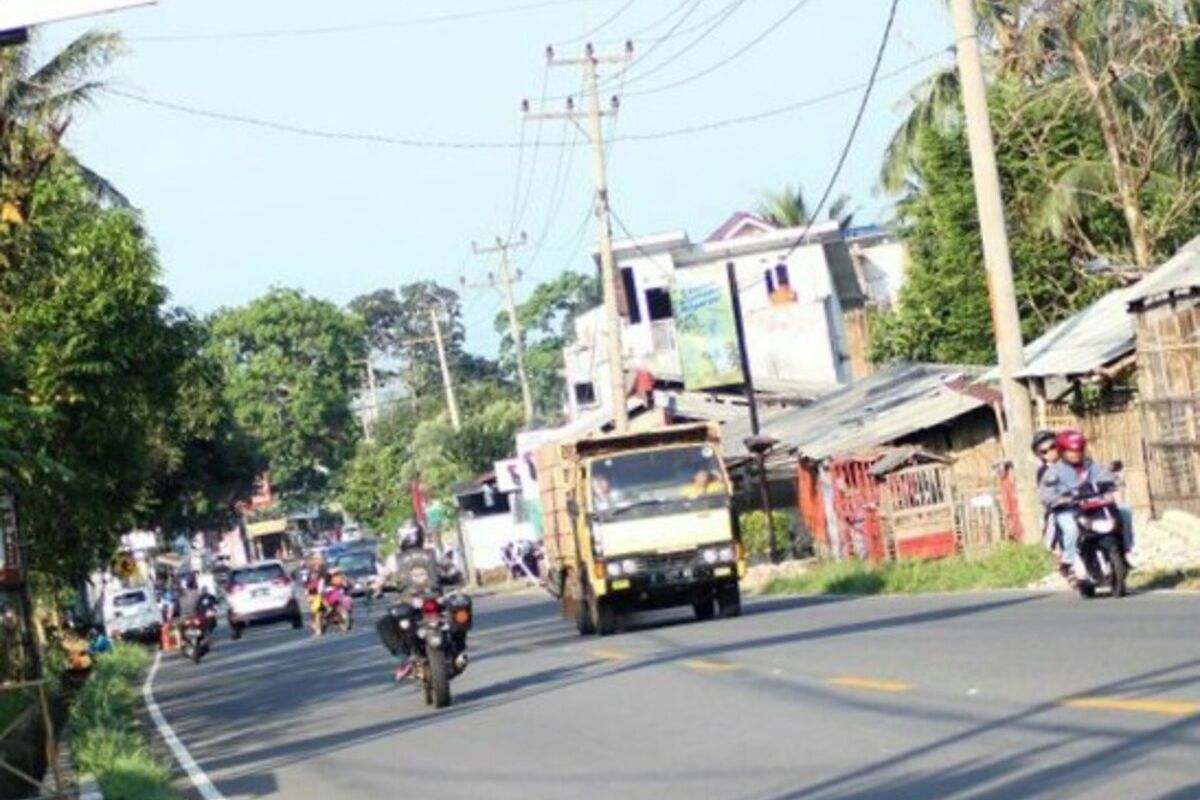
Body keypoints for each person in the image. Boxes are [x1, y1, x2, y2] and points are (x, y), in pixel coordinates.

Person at [1038, 429, 1135, 585]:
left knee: (1124, 511)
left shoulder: (1091, 465)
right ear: (1062, 451)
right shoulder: (1053, 472)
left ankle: (1126, 547)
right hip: (1069, 509)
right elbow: (1046, 494)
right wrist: (1059, 499)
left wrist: (1115, 482)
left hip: (1094, 506)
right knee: (1071, 529)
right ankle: (1068, 562)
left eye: (1078, 449)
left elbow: (1105, 475)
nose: (1075, 454)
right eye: (1071, 451)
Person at [375, 521, 462, 681]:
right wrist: (453, 576)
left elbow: (381, 579)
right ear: (420, 536)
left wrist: (376, 588)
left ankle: (405, 657)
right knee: (457, 610)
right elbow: (452, 570)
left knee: (385, 624)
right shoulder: (433, 552)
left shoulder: (395, 559)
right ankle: (458, 649)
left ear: (401, 538)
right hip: (436, 598)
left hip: (411, 602)